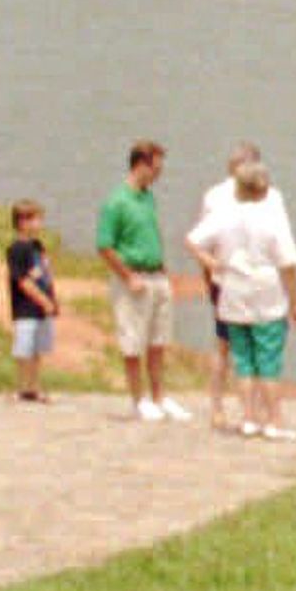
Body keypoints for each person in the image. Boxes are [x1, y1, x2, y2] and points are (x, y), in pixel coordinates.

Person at [201, 156, 296, 439]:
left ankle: (247, 417)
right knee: (268, 359)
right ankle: (273, 419)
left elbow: (194, 239)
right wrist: (294, 301)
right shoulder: (272, 219)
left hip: (233, 291)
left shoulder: (224, 215)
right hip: (266, 292)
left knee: (243, 359)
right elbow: (289, 262)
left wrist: (212, 262)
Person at [97, 139, 187, 422]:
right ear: (141, 165)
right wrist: (127, 276)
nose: (159, 174)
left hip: (157, 274)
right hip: (133, 277)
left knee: (159, 339)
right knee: (133, 341)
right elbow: (105, 246)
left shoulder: (148, 197)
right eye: (156, 167)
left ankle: (160, 396)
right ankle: (139, 399)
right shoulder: (117, 202)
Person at [187, 142, 262, 424]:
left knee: (223, 344)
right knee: (254, 344)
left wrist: (208, 273)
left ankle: (218, 406)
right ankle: (251, 408)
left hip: (223, 277)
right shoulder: (263, 195)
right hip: (250, 279)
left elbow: (202, 242)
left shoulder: (213, 196)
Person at [4, 201, 58, 402]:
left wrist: (52, 299)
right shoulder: (17, 249)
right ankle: (21, 386)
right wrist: (42, 299)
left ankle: (34, 386)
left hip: (41, 308)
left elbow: (45, 273)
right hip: (25, 308)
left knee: (37, 349)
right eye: (36, 219)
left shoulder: (37, 246)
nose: (40, 223)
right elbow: (23, 281)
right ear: (23, 222)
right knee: (24, 348)